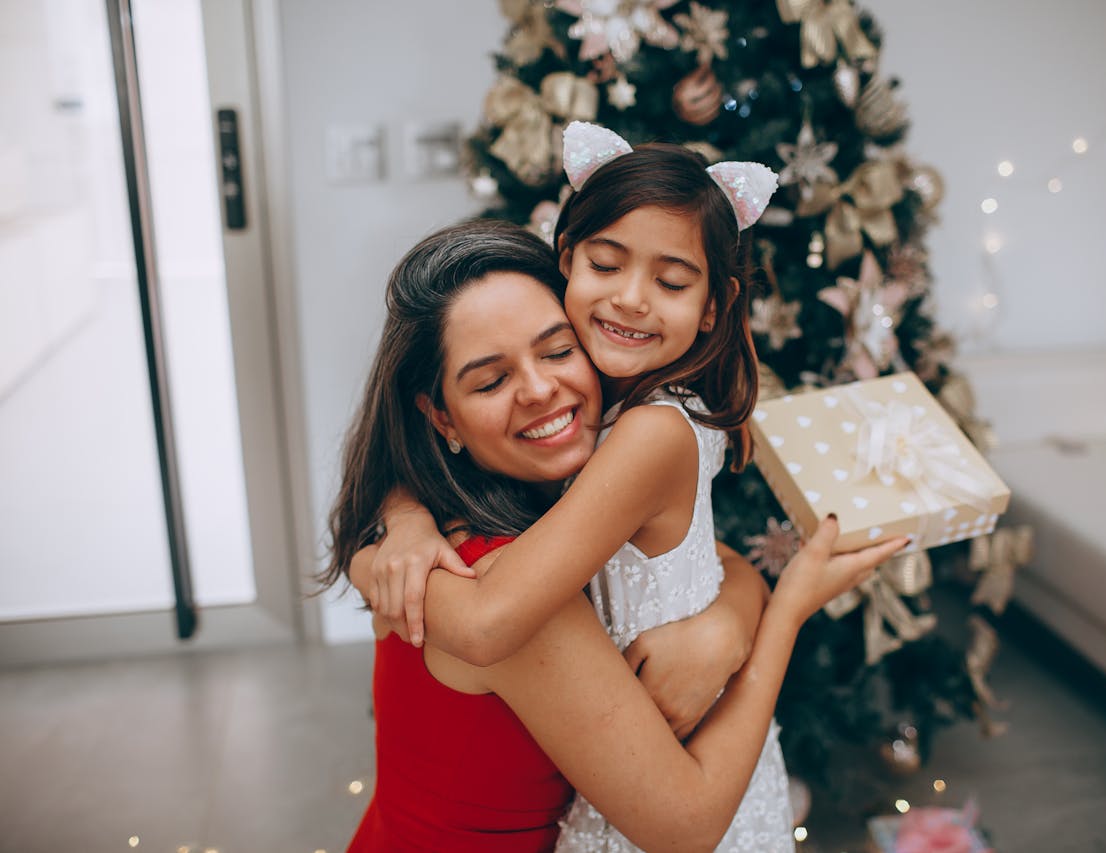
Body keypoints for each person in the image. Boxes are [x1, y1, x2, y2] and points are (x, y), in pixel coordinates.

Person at [357, 123, 876, 850]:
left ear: (712, 305)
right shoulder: (610, 430)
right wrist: (390, 524)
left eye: (555, 349)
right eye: (492, 377)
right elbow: (485, 621)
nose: (544, 390)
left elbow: (709, 555)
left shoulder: (638, 423)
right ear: (570, 263)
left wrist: (735, 617)